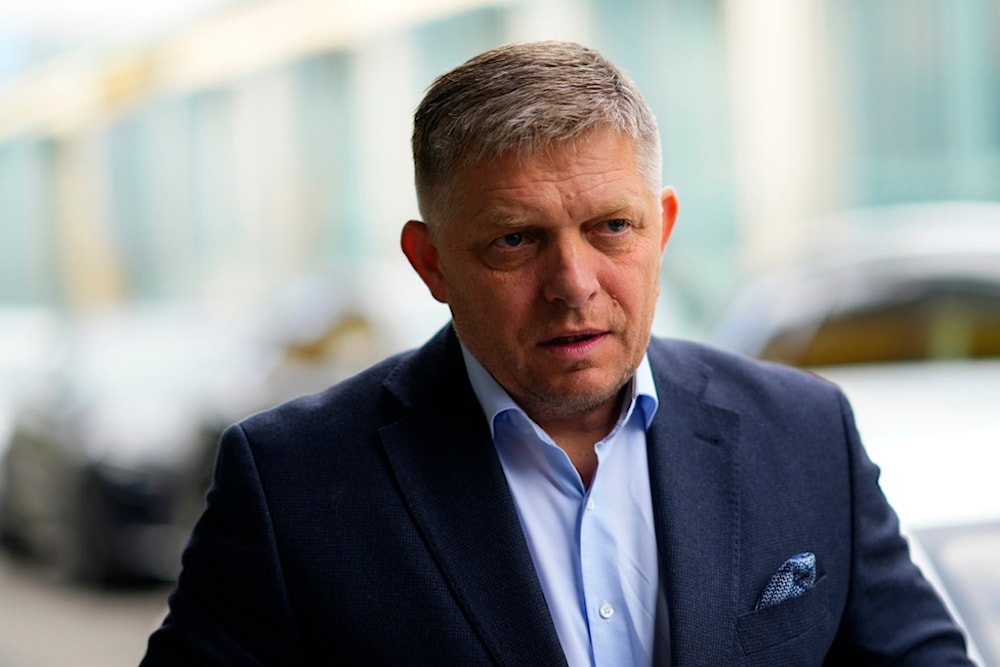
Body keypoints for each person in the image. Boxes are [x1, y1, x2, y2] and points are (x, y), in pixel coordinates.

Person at [141, 41, 972, 666]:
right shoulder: (290, 483)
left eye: (612, 227)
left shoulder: (802, 430)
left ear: (664, 228)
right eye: (514, 239)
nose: (573, 283)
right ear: (430, 263)